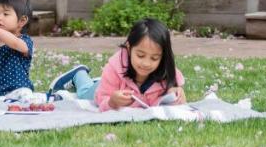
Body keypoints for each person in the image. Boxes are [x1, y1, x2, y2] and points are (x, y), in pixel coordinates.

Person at [50, 18, 186, 110]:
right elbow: (102, 100)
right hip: (104, 87)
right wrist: (111, 102)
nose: (146, 63)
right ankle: (79, 74)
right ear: (128, 47)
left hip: (111, 82)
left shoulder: (166, 70)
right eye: (140, 55)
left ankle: (96, 80)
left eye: (154, 58)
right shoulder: (115, 68)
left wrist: (176, 93)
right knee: (84, 91)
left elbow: (174, 89)